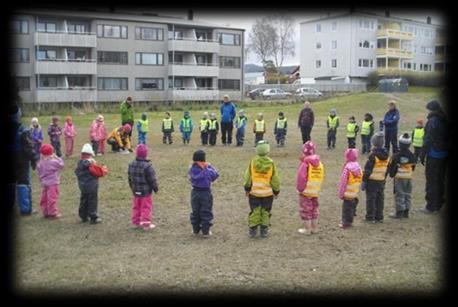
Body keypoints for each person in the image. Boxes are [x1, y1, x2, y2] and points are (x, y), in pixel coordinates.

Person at [243, 140, 280, 238]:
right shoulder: (271, 163)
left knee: (255, 211)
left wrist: (247, 188)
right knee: (266, 211)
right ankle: (264, 229)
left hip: (254, 193)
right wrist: (276, 191)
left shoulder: (252, 162)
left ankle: (253, 230)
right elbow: (275, 178)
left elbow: (248, 177)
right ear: (268, 151)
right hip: (267, 194)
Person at [419, 100, 450, 214]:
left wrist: (422, 154)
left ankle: (431, 206)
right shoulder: (444, 119)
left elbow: (428, 139)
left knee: (432, 180)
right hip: (443, 154)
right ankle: (439, 203)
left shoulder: (433, 121)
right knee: (441, 180)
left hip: (434, 154)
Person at [14, 106, 39, 215]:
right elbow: (29, 147)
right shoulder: (23, 130)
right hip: (22, 160)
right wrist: (34, 159)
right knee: (23, 183)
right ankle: (25, 208)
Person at [188, 150, 219, 237]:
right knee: (206, 211)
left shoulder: (191, 169)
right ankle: (205, 231)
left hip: (194, 192)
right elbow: (216, 175)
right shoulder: (207, 170)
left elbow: (192, 177)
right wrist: (209, 166)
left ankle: (195, 230)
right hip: (206, 193)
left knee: (195, 211)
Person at [74, 143, 108, 224]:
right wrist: (102, 168)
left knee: (84, 199)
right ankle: (93, 217)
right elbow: (99, 173)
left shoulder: (79, 164)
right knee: (92, 201)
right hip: (92, 186)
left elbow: (77, 172)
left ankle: (83, 215)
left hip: (82, 185)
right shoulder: (90, 165)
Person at [128, 144, 159, 230]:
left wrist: (132, 187)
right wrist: (155, 188)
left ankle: (135, 222)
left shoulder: (131, 164)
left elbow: (130, 178)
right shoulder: (148, 166)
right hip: (146, 192)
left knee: (136, 207)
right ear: (146, 154)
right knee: (146, 207)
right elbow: (152, 180)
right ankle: (146, 224)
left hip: (135, 190)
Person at [296, 141, 324, 234]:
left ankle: (307, 229)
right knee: (314, 209)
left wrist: (300, 189)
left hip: (306, 191)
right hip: (315, 190)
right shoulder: (319, 163)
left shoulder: (305, 163)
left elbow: (301, 177)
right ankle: (314, 228)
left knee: (306, 210)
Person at [362, 132, 389, 223]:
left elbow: (367, 170)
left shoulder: (372, 156)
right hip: (381, 180)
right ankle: (379, 216)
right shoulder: (386, 155)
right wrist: (384, 178)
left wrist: (364, 181)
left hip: (372, 181)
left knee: (371, 199)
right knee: (380, 199)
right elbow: (387, 169)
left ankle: (370, 217)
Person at [387, 133, 416, 219]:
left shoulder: (396, 156)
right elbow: (413, 166)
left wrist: (391, 174)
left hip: (399, 178)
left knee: (399, 194)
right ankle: (406, 212)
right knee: (407, 194)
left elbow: (392, 168)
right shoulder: (412, 155)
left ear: (400, 143)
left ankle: (399, 212)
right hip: (408, 178)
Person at [36, 144, 64, 219]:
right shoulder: (53, 162)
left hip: (44, 183)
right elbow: (61, 165)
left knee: (44, 198)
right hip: (53, 183)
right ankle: (53, 213)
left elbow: (39, 171)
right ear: (52, 153)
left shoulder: (40, 163)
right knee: (52, 198)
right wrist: (57, 157)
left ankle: (45, 212)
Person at [338, 148, 363, 229]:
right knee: (351, 207)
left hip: (347, 192)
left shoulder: (347, 168)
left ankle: (345, 223)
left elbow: (343, 182)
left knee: (346, 209)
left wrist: (341, 194)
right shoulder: (358, 167)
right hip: (354, 191)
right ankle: (350, 220)